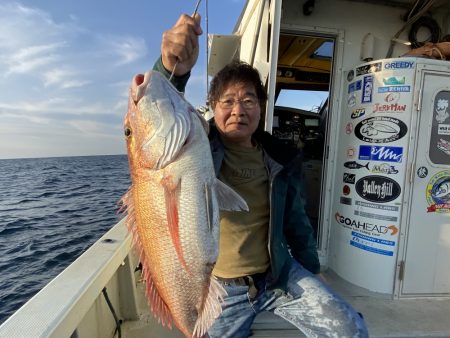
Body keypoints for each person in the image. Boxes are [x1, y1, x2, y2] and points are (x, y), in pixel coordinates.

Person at [153, 13, 369, 338]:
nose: (238, 110)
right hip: (223, 290)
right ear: (212, 106)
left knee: (350, 329)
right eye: (227, 101)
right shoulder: (198, 148)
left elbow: (296, 222)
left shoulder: (281, 157)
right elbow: (161, 120)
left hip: (278, 275)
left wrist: (313, 270)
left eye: (248, 100)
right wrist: (172, 68)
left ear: (261, 108)